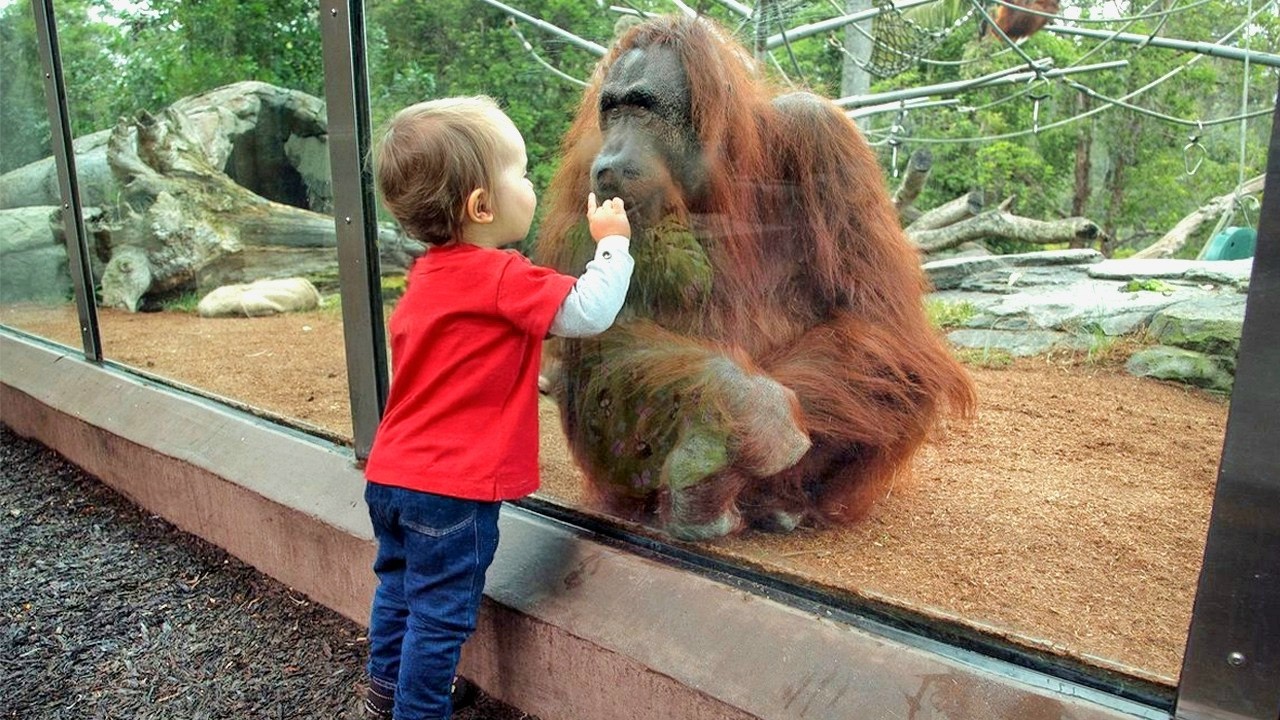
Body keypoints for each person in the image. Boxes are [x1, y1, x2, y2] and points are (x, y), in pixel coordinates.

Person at [360, 95, 633, 720]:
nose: (531, 183)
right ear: (482, 206)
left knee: (399, 588)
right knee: (442, 614)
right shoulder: (501, 277)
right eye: (521, 171)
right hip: (451, 492)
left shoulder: (426, 279)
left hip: (392, 476)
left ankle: (384, 691)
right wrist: (612, 243)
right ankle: (419, 710)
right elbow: (590, 312)